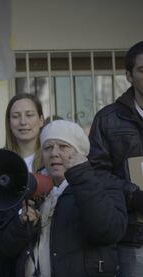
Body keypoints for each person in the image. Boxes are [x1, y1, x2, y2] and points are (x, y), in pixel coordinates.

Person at [0, 120, 127, 277]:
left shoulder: (102, 182)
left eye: (63, 146)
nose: (54, 153)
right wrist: (22, 224)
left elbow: (108, 232)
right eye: (48, 147)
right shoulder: (31, 187)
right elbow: (4, 250)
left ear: (79, 153)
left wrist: (82, 176)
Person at [88, 40, 143, 277]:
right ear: (129, 76)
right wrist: (134, 195)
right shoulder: (108, 119)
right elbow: (97, 173)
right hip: (133, 239)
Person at [5, 93, 44, 172]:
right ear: (9, 123)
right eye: (16, 116)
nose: (23, 122)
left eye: (29, 115)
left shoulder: (52, 159)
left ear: (41, 120)